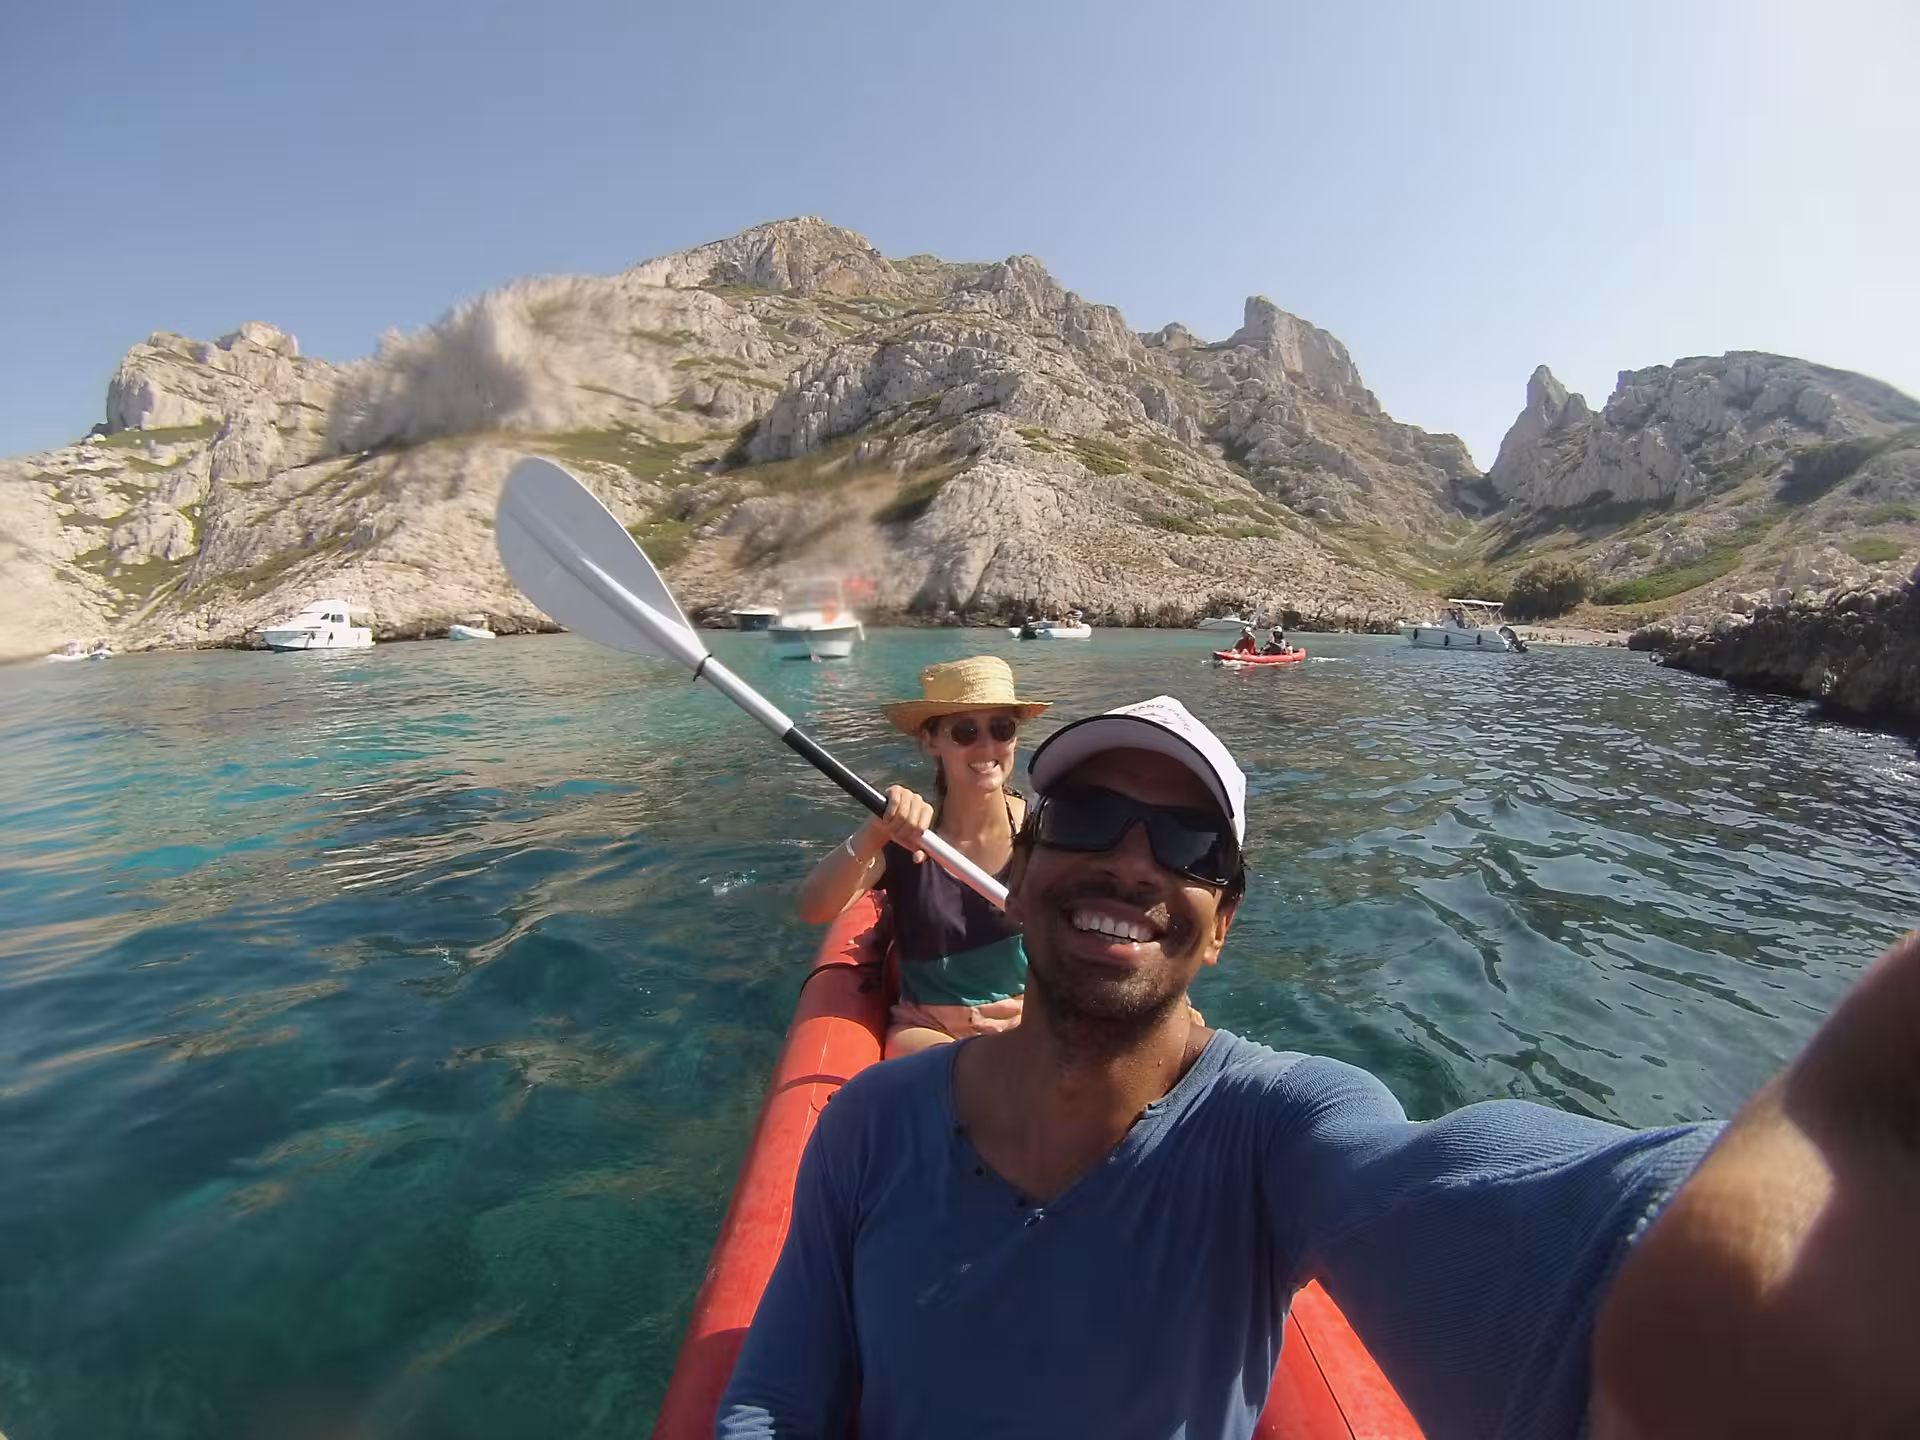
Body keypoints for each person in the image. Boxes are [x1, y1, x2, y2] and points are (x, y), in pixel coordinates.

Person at [724, 696, 1920, 1439]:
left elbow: (1468, 1199)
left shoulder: (1281, 1128)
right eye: (1087, 823)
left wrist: (1690, 1243)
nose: (1132, 865)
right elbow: (775, 1399)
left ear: (1223, 918)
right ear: (1030, 870)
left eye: (1188, 844)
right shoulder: (872, 1127)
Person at [795, 657, 1048, 1057]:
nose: (986, 746)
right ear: (932, 742)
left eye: (1001, 729)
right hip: (929, 1032)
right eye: (965, 731)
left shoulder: (1040, 832)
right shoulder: (906, 840)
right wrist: (872, 831)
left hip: (1024, 1024)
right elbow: (813, 907)